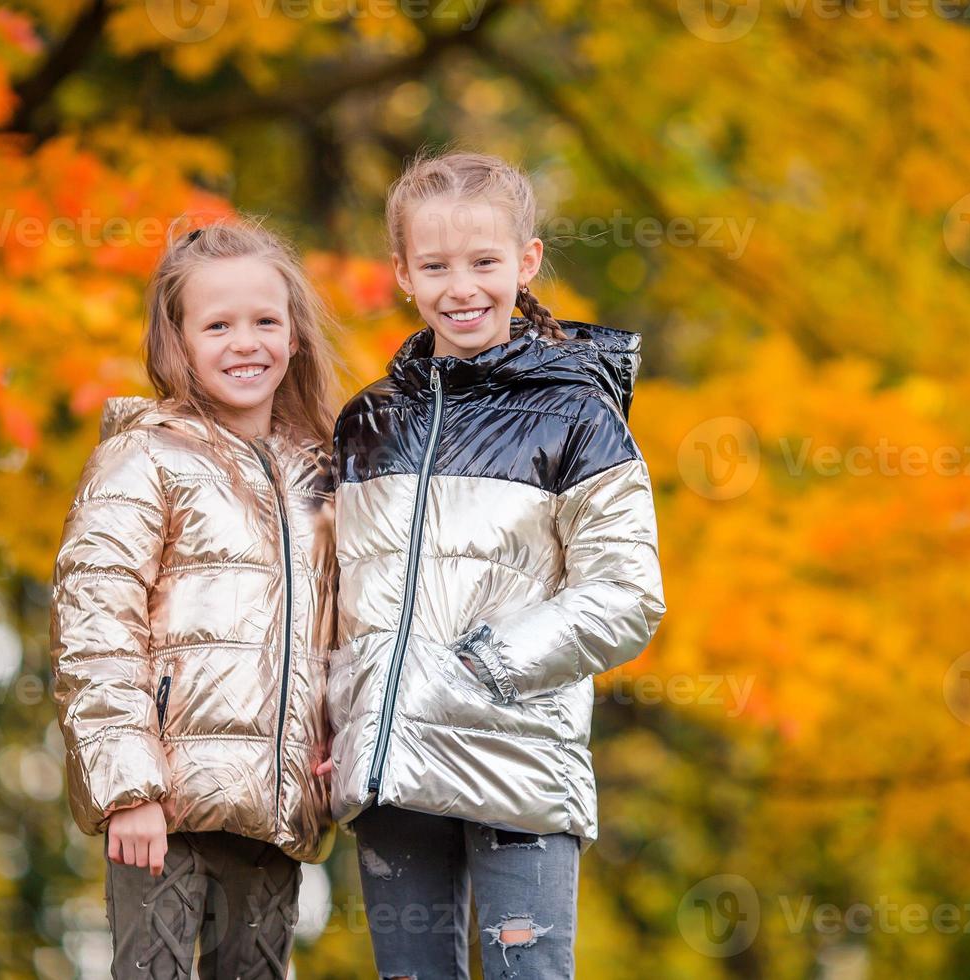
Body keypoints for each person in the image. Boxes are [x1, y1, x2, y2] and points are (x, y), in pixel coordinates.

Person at [323, 151, 667, 978]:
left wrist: (486, 669)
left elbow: (627, 595)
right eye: (435, 265)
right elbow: (338, 591)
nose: (462, 286)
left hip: (518, 753)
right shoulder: (369, 421)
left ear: (527, 261)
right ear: (402, 272)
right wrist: (332, 710)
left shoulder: (577, 414)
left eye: (484, 262)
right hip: (392, 764)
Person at [50, 216, 339, 979]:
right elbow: (95, 625)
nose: (245, 342)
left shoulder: (323, 475)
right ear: (177, 341)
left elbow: (342, 631)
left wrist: (338, 738)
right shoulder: (142, 458)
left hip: (275, 815)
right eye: (218, 324)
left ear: (296, 336)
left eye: (265, 321)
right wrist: (129, 788)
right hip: (165, 807)